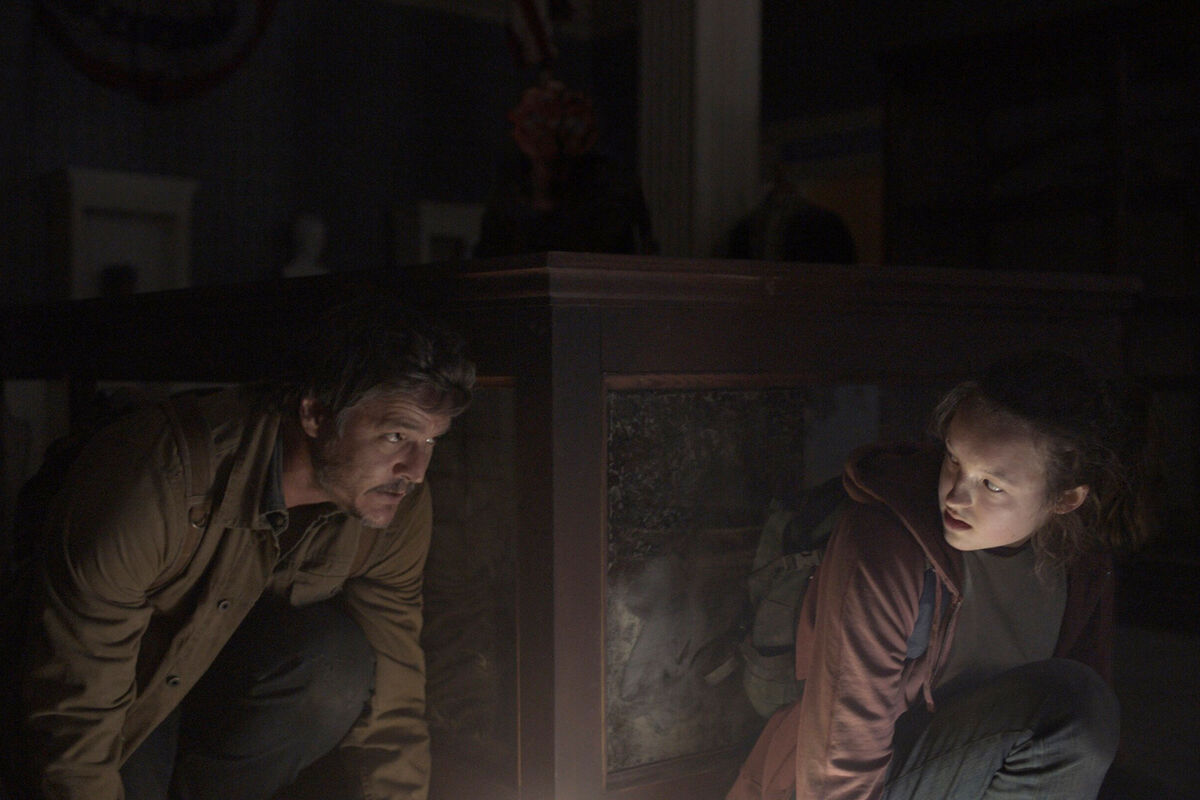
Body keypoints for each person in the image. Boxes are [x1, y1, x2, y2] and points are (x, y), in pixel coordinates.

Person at [8, 298, 475, 800]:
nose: (415, 470)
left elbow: (395, 698)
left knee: (335, 662)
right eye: (396, 435)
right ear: (316, 413)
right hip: (126, 688)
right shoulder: (155, 477)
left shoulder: (396, 503)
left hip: (224, 689)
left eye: (431, 441)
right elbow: (76, 712)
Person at [727, 350, 1157, 800]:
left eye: (992, 485)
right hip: (869, 781)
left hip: (986, 771)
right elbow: (840, 754)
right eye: (954, 460)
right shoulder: (886, 547)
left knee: (1087, 710)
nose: (956, 496)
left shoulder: (1081, 565)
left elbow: (1087, 749)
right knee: (1071, 702)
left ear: (1065, 500)